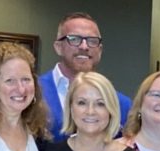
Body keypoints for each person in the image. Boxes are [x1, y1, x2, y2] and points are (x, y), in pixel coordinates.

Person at [39, 12, 131, 141]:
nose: (84, 46)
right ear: (58, 47)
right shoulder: (33, 94)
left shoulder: (122, 105)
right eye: (74, 39)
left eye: (92, 41)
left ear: (100, 50)